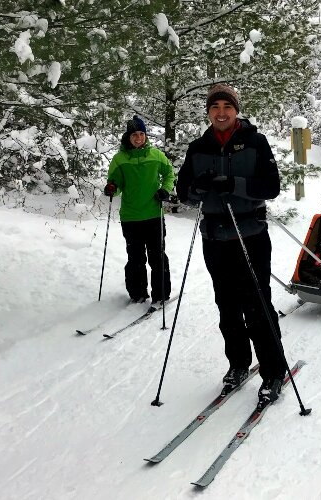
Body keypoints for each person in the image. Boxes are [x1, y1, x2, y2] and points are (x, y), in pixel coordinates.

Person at [176, 83, 286, 406]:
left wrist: (234, 184)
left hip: (250, 236)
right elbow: (183, 191)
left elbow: (271, 186)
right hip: (215, 239)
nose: (221, 112)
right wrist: (198, 188)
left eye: (227, 106)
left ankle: (273, 371)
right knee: (227, 307)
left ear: (236, 110)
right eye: (215, 107)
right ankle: (238, 364)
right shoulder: (197, 148)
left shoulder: (255, 142)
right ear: (208, 112)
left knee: (257, 305)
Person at [105, 116, 174, 308]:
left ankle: (161, 295)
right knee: (135, 258)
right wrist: (111, 187)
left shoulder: (156, 155)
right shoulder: (120, 159)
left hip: (154, 214)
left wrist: (165, 190)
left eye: (142, 134)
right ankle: (137, 294)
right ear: (128, 136)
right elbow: (116, 183)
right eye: (134, 134)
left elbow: (169, 174)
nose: (138, 138)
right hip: (131, 216)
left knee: (157, 256)